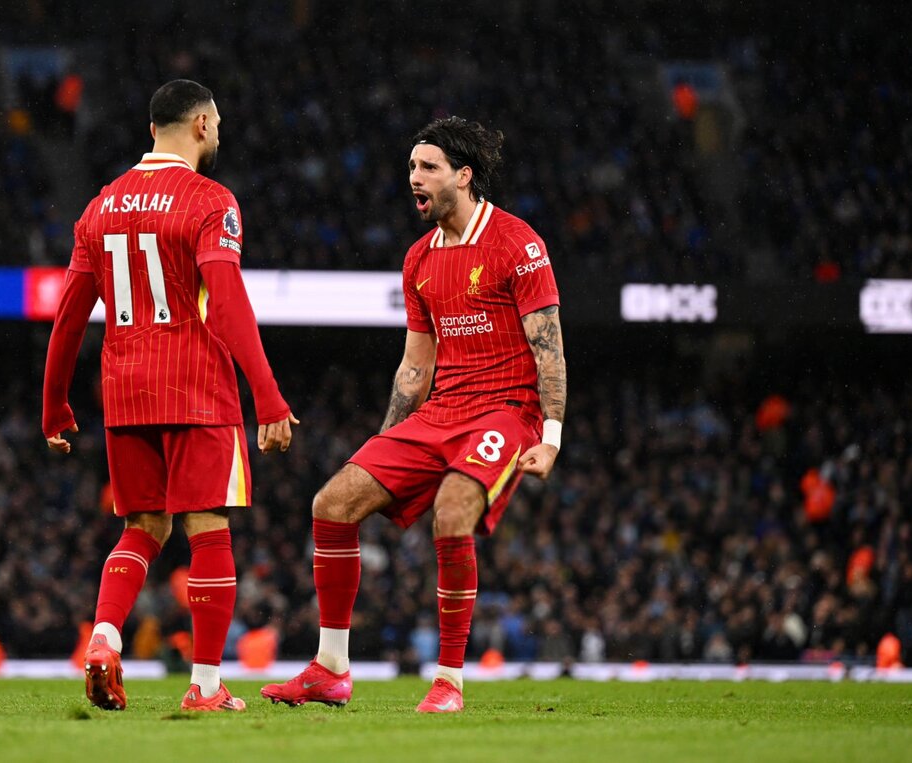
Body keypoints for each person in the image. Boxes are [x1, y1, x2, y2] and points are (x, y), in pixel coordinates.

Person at [262, 117, 566, 713]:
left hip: (506, 412)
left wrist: (551, 435)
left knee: (452, 512)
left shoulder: (517, 244)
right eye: (410, 168)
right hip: (441, 410)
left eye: (427, 167)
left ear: (464, 175)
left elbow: (548, 348)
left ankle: (449, 681)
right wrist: (383, 447)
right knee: (332, 503)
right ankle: (330, 668)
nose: (414, 179)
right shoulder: (419, 259)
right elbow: (414, 366)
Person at [42, 79, 297, 713]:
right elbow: (229, 300)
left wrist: (54, 404)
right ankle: (206, 688)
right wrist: (267, 396)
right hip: (197, 387)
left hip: (125, 393)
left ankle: (104, 638)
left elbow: (69, 318)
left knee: (141, 528)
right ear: (203, 126)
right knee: (208, 530)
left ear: (151, 128)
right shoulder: (212, 201)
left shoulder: (99, 207)